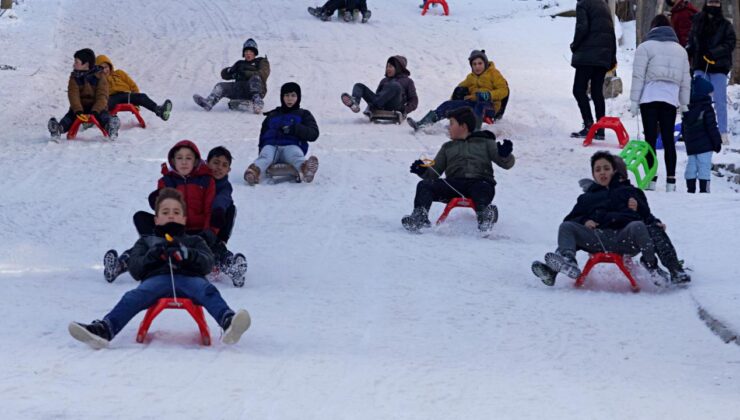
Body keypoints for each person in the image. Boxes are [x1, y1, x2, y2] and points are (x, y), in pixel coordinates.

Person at [69, 188, 251, 349]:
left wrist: (187, 254)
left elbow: (208, 263)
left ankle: (228, 322)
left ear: (184, 218)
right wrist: (153, 254)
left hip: (190, 279)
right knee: (132, 297)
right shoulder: (146, 241)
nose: (171, 215)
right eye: (165, 212)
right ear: (156, 219)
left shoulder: (194, 240)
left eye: (176, 212)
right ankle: (104, 329)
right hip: (157, 280)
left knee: (208, 291)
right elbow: (135, 269)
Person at [531, 151, 673, 287]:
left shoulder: (627, 192)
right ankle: (568, 261)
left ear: (614, 172)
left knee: (637, 225)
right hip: (596, 239)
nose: (602, 172)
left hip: (624, 239)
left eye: (606, 168)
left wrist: (655, 223)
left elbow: (645, 214)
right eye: (598, 170)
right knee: (566, 227)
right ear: (593, 174)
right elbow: (571, 218)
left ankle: (652, 267)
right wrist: (584, 221)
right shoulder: (587, 197)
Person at [103, 140, 216, 283]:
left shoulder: (206, 181)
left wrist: (209, 231)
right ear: (173, 161)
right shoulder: (166, 181)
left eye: (188, 158)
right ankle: (121, 264)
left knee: (210, 247)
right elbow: (161, 209)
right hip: (172, 229)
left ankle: (229, 264)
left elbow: (209, 209)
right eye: (179, 158)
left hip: (196, 232)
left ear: (195, 161)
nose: (184, 162)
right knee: (145, 226)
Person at [577, 156, 692, 284]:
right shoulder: (597, 195)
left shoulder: (631, 192)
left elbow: (646, 214)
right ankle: (668, 267)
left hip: (630, 237)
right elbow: (581, 215)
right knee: (651, 229)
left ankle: (673, 268)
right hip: (609, 238)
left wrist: (653, 221)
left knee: (654, 229)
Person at [402, 107, 515, 233]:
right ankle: (419, 216)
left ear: (463, 126)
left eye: (451, 124)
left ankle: (485, 217)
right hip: (454, 185)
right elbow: (435, 173)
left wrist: (505, 155)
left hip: (480, 182)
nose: (448, 128)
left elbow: (506, 164)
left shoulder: (485, 143)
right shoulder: (447, 147)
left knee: (481, 189)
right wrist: (422, 171)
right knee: (424, 185)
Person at [629, 15, 691, 192]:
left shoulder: (645, 47)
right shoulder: (681, 51)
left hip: (649, 97)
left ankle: (651, 179)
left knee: (649, 140)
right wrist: (684, 103)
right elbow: (686, 81)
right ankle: (671, 182)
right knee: (668, 140)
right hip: (670, 99)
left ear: (652, 28)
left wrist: (634, 101)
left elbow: (638, 76)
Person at [408, 50, 509, 131]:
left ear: (485, 63)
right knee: (447, 104)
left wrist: (488, 95)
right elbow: (459, 88)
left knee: (480, 105)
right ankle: (422, 124)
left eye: (480, 63)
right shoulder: (471, 77)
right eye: (474, 64)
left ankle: (475, 132)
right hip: (472, 103)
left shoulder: (493, 74)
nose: (477, 66)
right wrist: (453, 103)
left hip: (489, 106)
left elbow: (504, 90)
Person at [244, 82, 320, 185]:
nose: (289, 99)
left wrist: (294, 129)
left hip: (292, 145)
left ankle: (305, 169)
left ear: (298, 97)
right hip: (271, 146)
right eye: (286, 95)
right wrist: (261, 149)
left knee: (296, 155)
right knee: (265, 157)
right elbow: (263, 135)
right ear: (282, 97)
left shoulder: (303, 114)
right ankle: (253, 172)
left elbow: (314, 133)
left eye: (293, 95)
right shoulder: (272, 115)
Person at [686, 0, 736, 145]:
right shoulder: (697, 21)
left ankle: (722, 132)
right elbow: (691, 40)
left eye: (716, 3)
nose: (713, 6)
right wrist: (688, 49)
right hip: (700, 66)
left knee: (720, 100)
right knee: (699, 99)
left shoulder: (726, 25)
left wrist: (714, 53)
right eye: (711, 2)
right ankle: (700, 129)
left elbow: (730, 43)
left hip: (719, 66)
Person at [568, 0, 617, 140]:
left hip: (587, 55)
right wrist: (612, 57)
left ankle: (589, 125)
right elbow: (611, 32)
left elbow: (582, 27)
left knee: (578, 89)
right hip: (603, 57)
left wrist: (574, 45)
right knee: (597, 92)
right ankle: (600, 129)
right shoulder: (603, 5)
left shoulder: (584, 3)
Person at [48, 48, 120, 141]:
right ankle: (58, 128)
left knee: (103, 115)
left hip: (97, 107)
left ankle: (110, 127)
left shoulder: (100, 76)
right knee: (70, 116)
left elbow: (102, 96)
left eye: (76, 62)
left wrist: (95, 110)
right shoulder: (74, 77)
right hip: (80, 107)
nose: (73, 64)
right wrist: (78, 110)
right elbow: (73, 95)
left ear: (86, 64)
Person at [204, 146, 248, 287]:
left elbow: (222, 199)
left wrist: (218, 210)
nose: (219, 168)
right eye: (216, 162)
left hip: (213, 228)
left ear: (229, 170)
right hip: (196, 226)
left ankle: (231, 266)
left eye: (224, 165)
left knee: (230, 208)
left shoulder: (224, 186)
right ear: (207, 163)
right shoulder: (199, 180)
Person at [193, 38, 270, 114]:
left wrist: (245, 73)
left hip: (256, 89)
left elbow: (263, 74)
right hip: (240, 89)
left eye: (251, 51)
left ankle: (257, 102)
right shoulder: (240, 64)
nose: (248, 53)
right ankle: (209, 102)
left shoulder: (261, 61)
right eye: (246, 51)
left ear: (255, 53)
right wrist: (230, 71)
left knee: (255, 78)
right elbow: (224, 75)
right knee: (220, 86)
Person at [95, 55, 173, 121]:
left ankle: (159, 110)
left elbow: (132, 86)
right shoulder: (98, 79)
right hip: (111, 98)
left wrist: (136, 103)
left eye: (106, 67)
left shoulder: (119, 73)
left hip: (126, 95)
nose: (105, 70)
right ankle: (104, 119)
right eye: (101, 68)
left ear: (110, 66)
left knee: (142, 97)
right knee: (104, 104)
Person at [341, 55, 418, 117]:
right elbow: (379, 95)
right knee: (358, 86)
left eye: (390, 66)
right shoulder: (384, 80)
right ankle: (355, 103)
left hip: (394, 106)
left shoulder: (408, 81)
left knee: (395, 86)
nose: (388, 69)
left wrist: (405, 110)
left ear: (398, 68)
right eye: (387, 66)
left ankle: (374, 105)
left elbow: (414, 100)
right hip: (379, 103)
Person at [682, 75, 722, 193]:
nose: (711, 95)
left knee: (692, 166)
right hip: (705, 145)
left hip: (692, 146)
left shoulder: (687, 110)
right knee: (704, 166)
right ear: (704, 94)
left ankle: (690, 189)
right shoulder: (707, 109)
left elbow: (684, 129)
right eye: (710, 93)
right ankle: (704, 190)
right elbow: (712, 127)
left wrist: (687, 143)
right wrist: (717, 143)